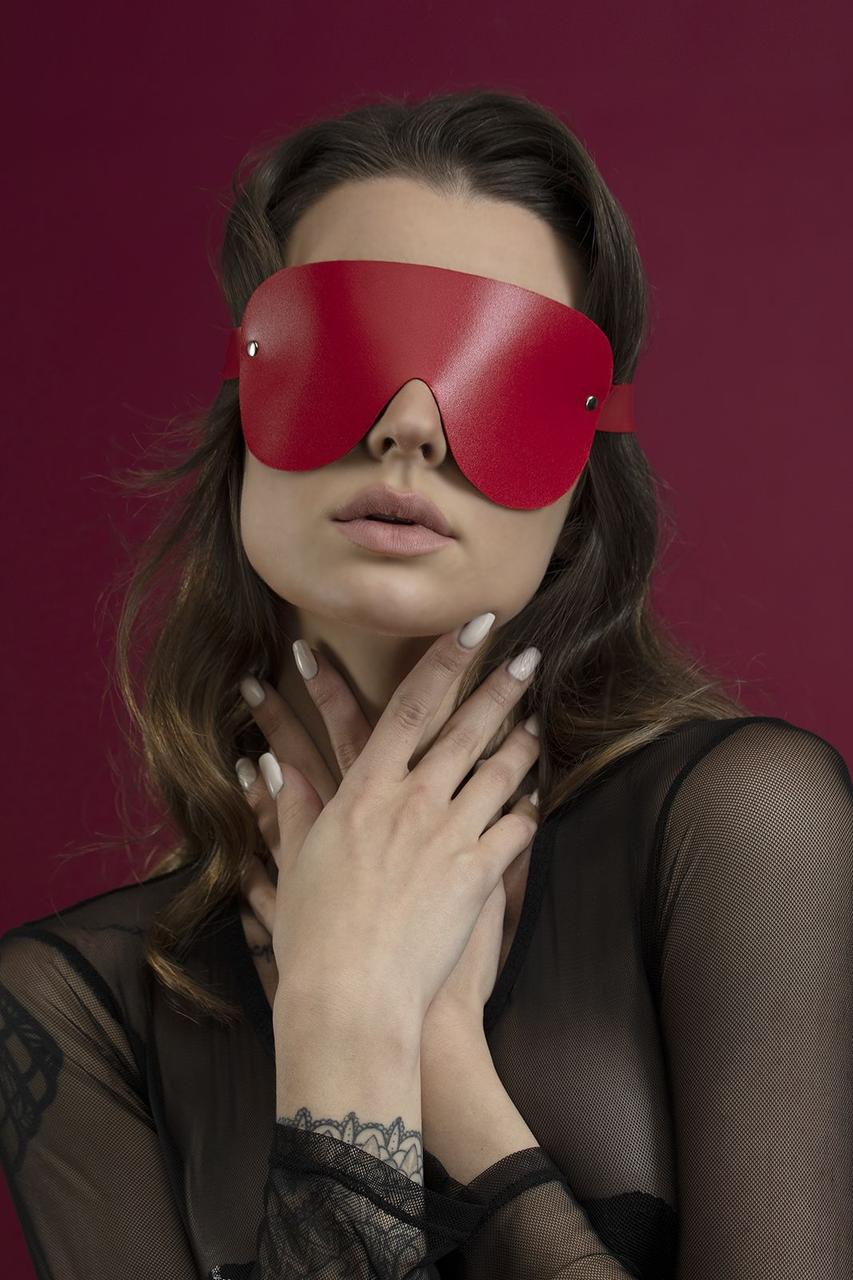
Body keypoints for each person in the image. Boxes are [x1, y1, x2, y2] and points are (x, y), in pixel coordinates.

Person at [1, 88, 850, 1280]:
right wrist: (344, 1032)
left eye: (500, 371)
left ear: (581, 493)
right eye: (342, 348)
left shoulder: (737, 828)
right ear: (241, 411)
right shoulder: (76, 1008)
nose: (410, 426)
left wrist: (449, 1079)